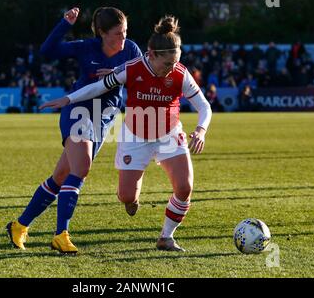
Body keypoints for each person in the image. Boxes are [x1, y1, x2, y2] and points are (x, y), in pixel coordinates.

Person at [40, 16, 212, 252]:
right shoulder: (132, 69)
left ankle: (166, 237)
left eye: (175, 63)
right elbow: (99, 87)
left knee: (184, 187)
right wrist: (68, 99)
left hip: (169, 135)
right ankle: (132, 198)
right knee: (126, 197)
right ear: (151, 54)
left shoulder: (180, 74)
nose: (171, 69)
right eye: (166, 64)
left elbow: (204, 106)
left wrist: (201, 131)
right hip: (135, 138)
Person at [6, 7, 142, 253]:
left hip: (104, 119)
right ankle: (61, 234)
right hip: (78, 111)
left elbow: (142, 76)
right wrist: (64, 25)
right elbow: (47, 51)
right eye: (117, 34)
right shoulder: (86, 47)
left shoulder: (131, 49)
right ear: (101, 33)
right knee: (81, 168)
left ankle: (19, 225)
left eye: (125, 32)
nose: (123, 38)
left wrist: (118, 74)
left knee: (60, 177)